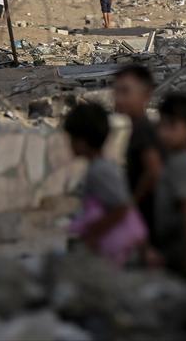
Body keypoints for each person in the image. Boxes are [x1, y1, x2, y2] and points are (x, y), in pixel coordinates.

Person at [64, 101, 147, 266]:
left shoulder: (99, 171)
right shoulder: (102, 166)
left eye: (72, 139)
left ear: (82, 141)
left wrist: (93, 233)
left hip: (121, 251)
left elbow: (121, 207)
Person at [151, 92, 186, 279]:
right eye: (162, 125)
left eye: (172, 126)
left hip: (181, 253)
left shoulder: (182, 163)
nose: (164, 133)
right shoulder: (172, 160)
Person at [113, 64, 162, 233]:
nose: (119, 99)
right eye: (116, 92)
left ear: (146, 94)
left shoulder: (144, 131)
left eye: (125, 92)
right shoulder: (138, 128)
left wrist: (131, 204)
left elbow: (153, 171)